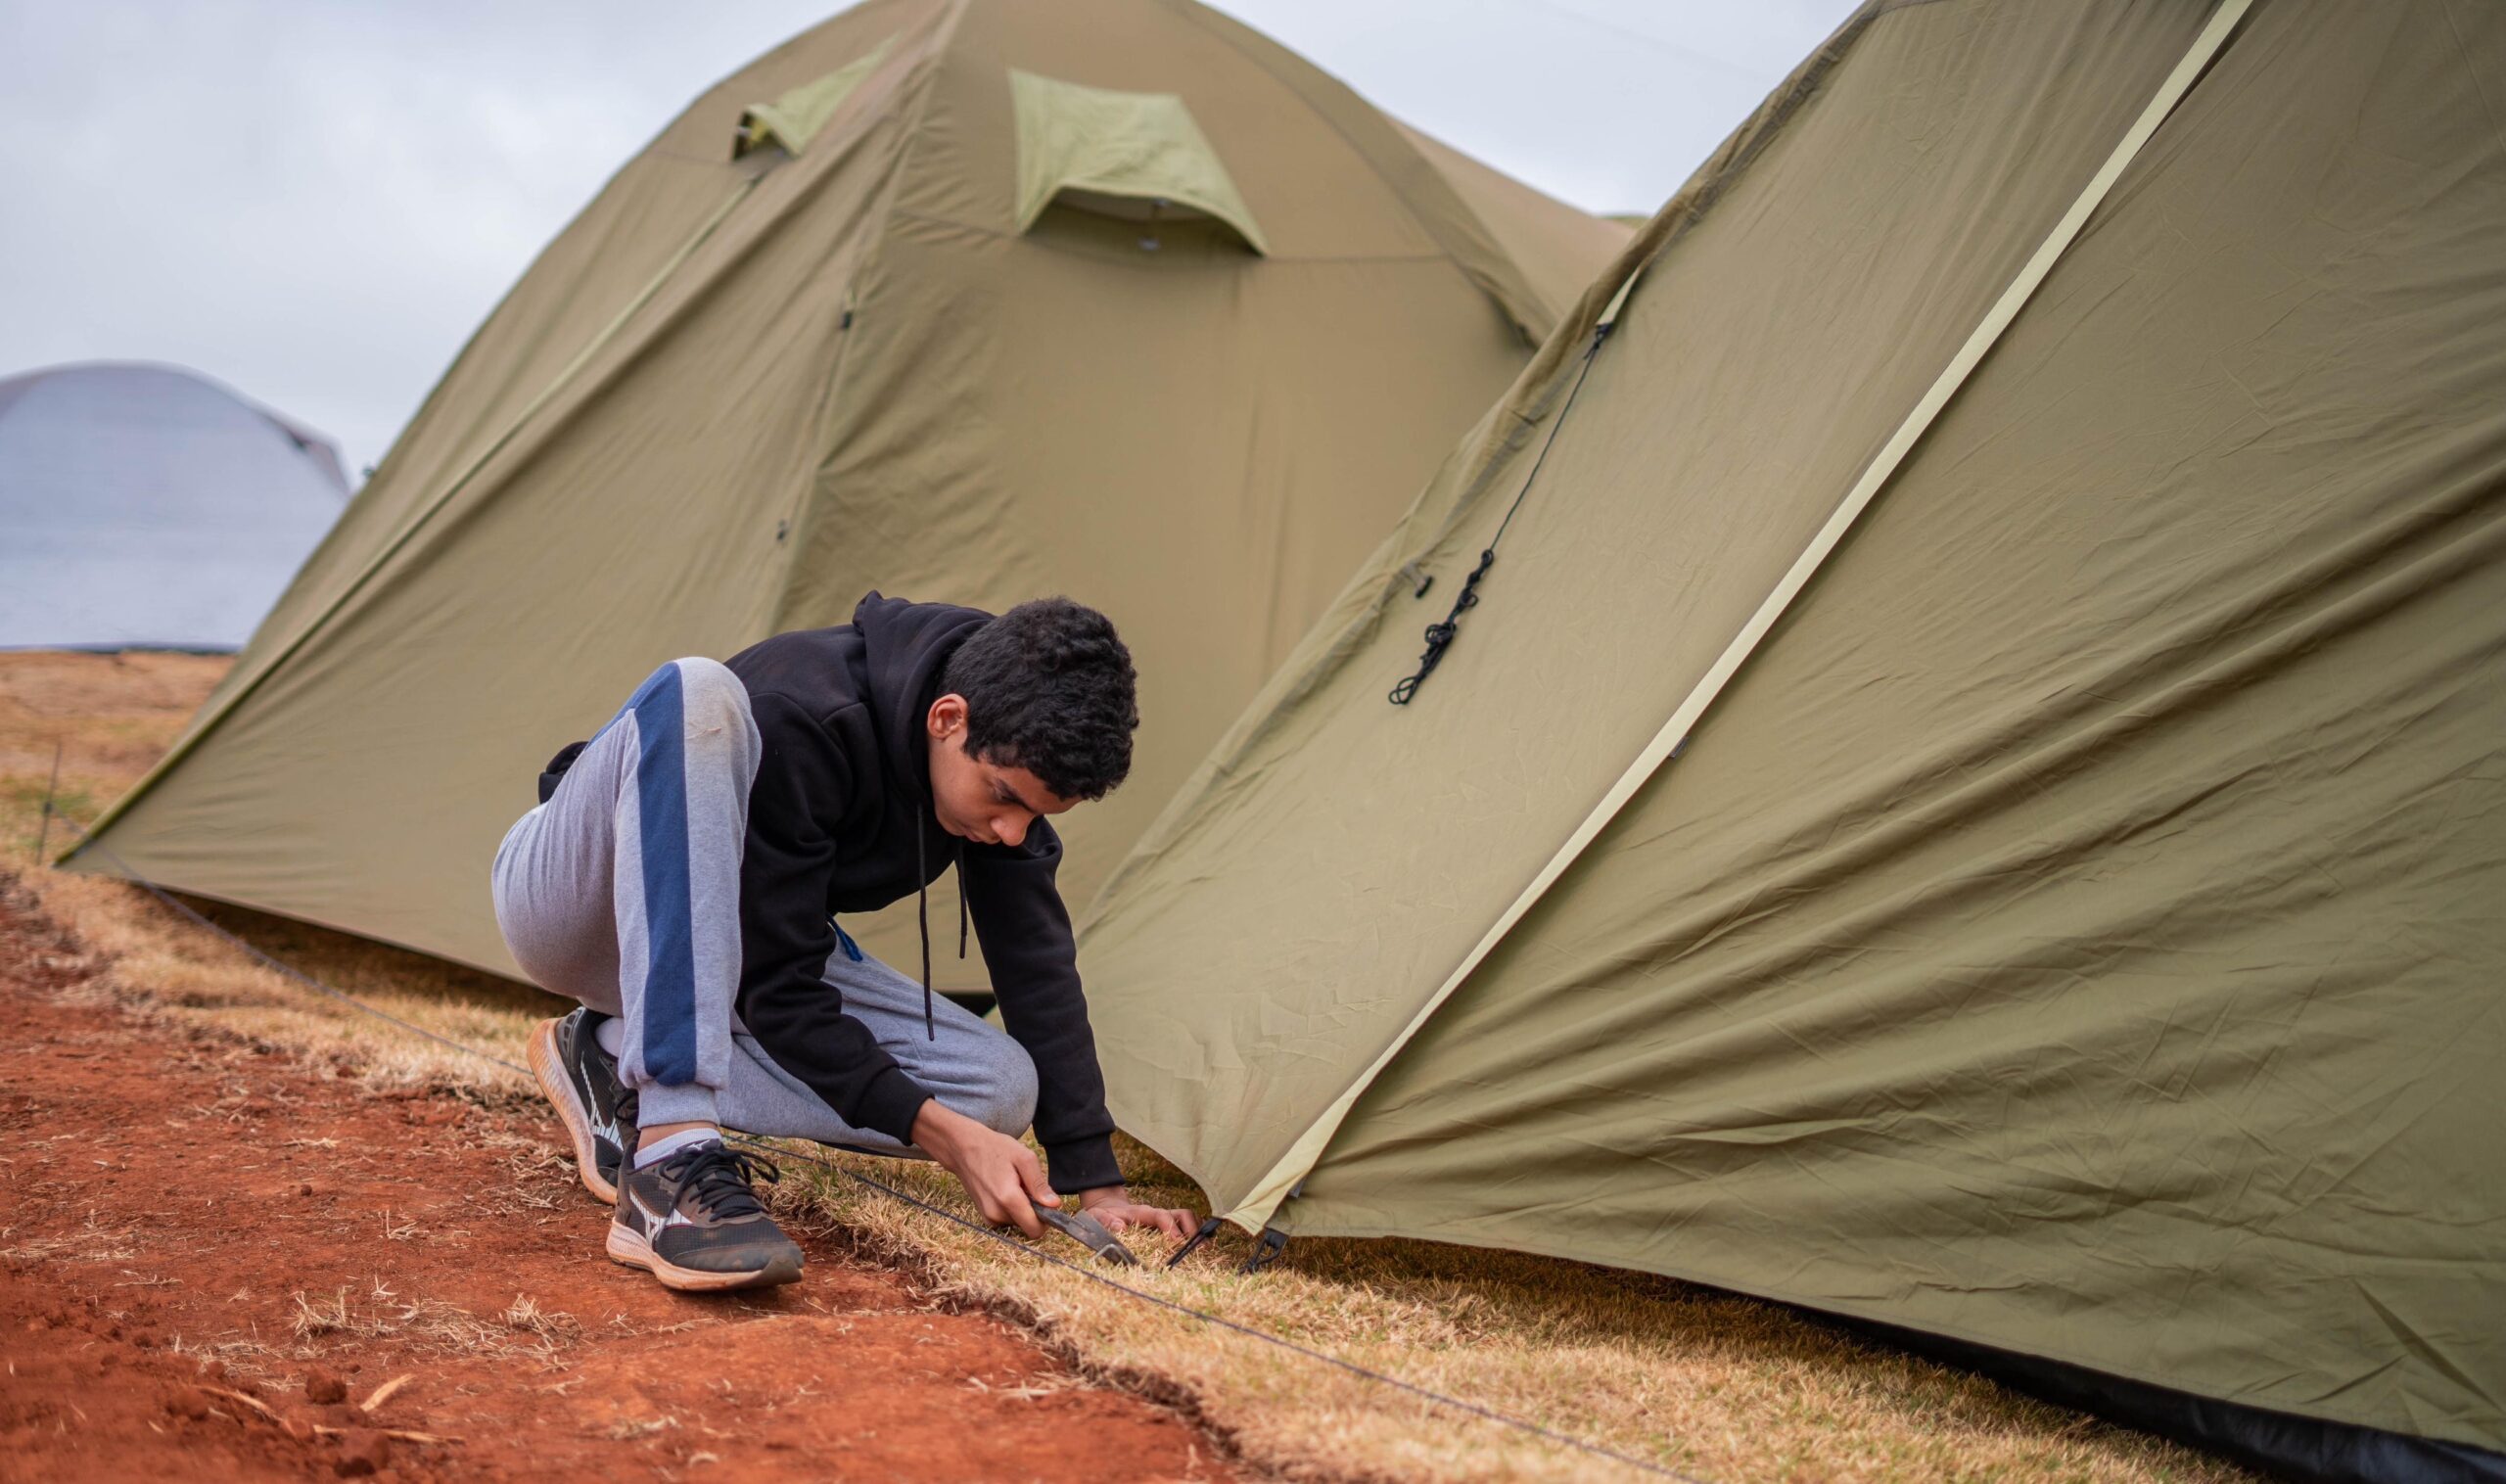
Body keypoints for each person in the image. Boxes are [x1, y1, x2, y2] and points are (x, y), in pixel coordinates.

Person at [491, 592, 1195, 1291]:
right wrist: (939, 1138)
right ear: (948, 718)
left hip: (734, 946)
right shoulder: (804, 709)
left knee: (995, 1091)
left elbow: (1035, 964)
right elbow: (779, 991)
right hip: (578, 901)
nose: (1013, 831)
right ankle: (669, 1149)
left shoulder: (1001, 749)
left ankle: (610, 1057)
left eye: (1037, 814)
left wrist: (1099, 1188)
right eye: (1005, 798)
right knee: (701, 689)